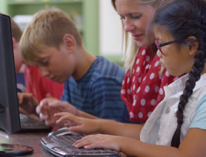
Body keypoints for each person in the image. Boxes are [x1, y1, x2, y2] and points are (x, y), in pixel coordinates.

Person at [54, 0, 206, 156]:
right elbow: (152, 133)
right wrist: (96, 126)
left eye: (161, 45)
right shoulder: (183, 84)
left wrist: (120, 143)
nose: (158, 54)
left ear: (191, 46)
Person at [19, 8, 127, 123]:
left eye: (45, 62)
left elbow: (113, 136)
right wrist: (37, 111)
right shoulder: (70, 77)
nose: (43, 73)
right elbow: (69, 124)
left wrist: (73, 117)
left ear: (69, 44)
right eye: (37, 67)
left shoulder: (104, 81)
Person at [9, 16, 64, 115]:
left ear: (11, 43)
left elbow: (61, 116)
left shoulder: (46, 67)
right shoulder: (28, 68)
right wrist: (32, 111)